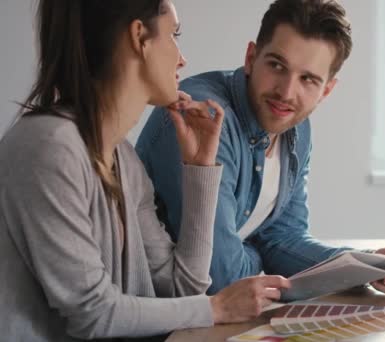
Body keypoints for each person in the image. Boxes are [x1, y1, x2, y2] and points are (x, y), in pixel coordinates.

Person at [0, 0, 290, 340]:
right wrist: (216, 308)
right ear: (140, 37)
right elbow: (92, 313)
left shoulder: (122, 158)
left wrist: (200, 171)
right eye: (174, 34)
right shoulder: (48, 147)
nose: (182, 58)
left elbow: (182, 287)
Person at [136, 0, 385, 297]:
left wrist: (365, 266)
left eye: (307, 79)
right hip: (163, 320)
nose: (286, 92)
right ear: (250, 57)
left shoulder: (295, 126)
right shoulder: (204, 117)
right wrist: (259, 254)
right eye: (276, 66)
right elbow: (218, 277)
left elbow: (282, 238)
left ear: (326, 90)